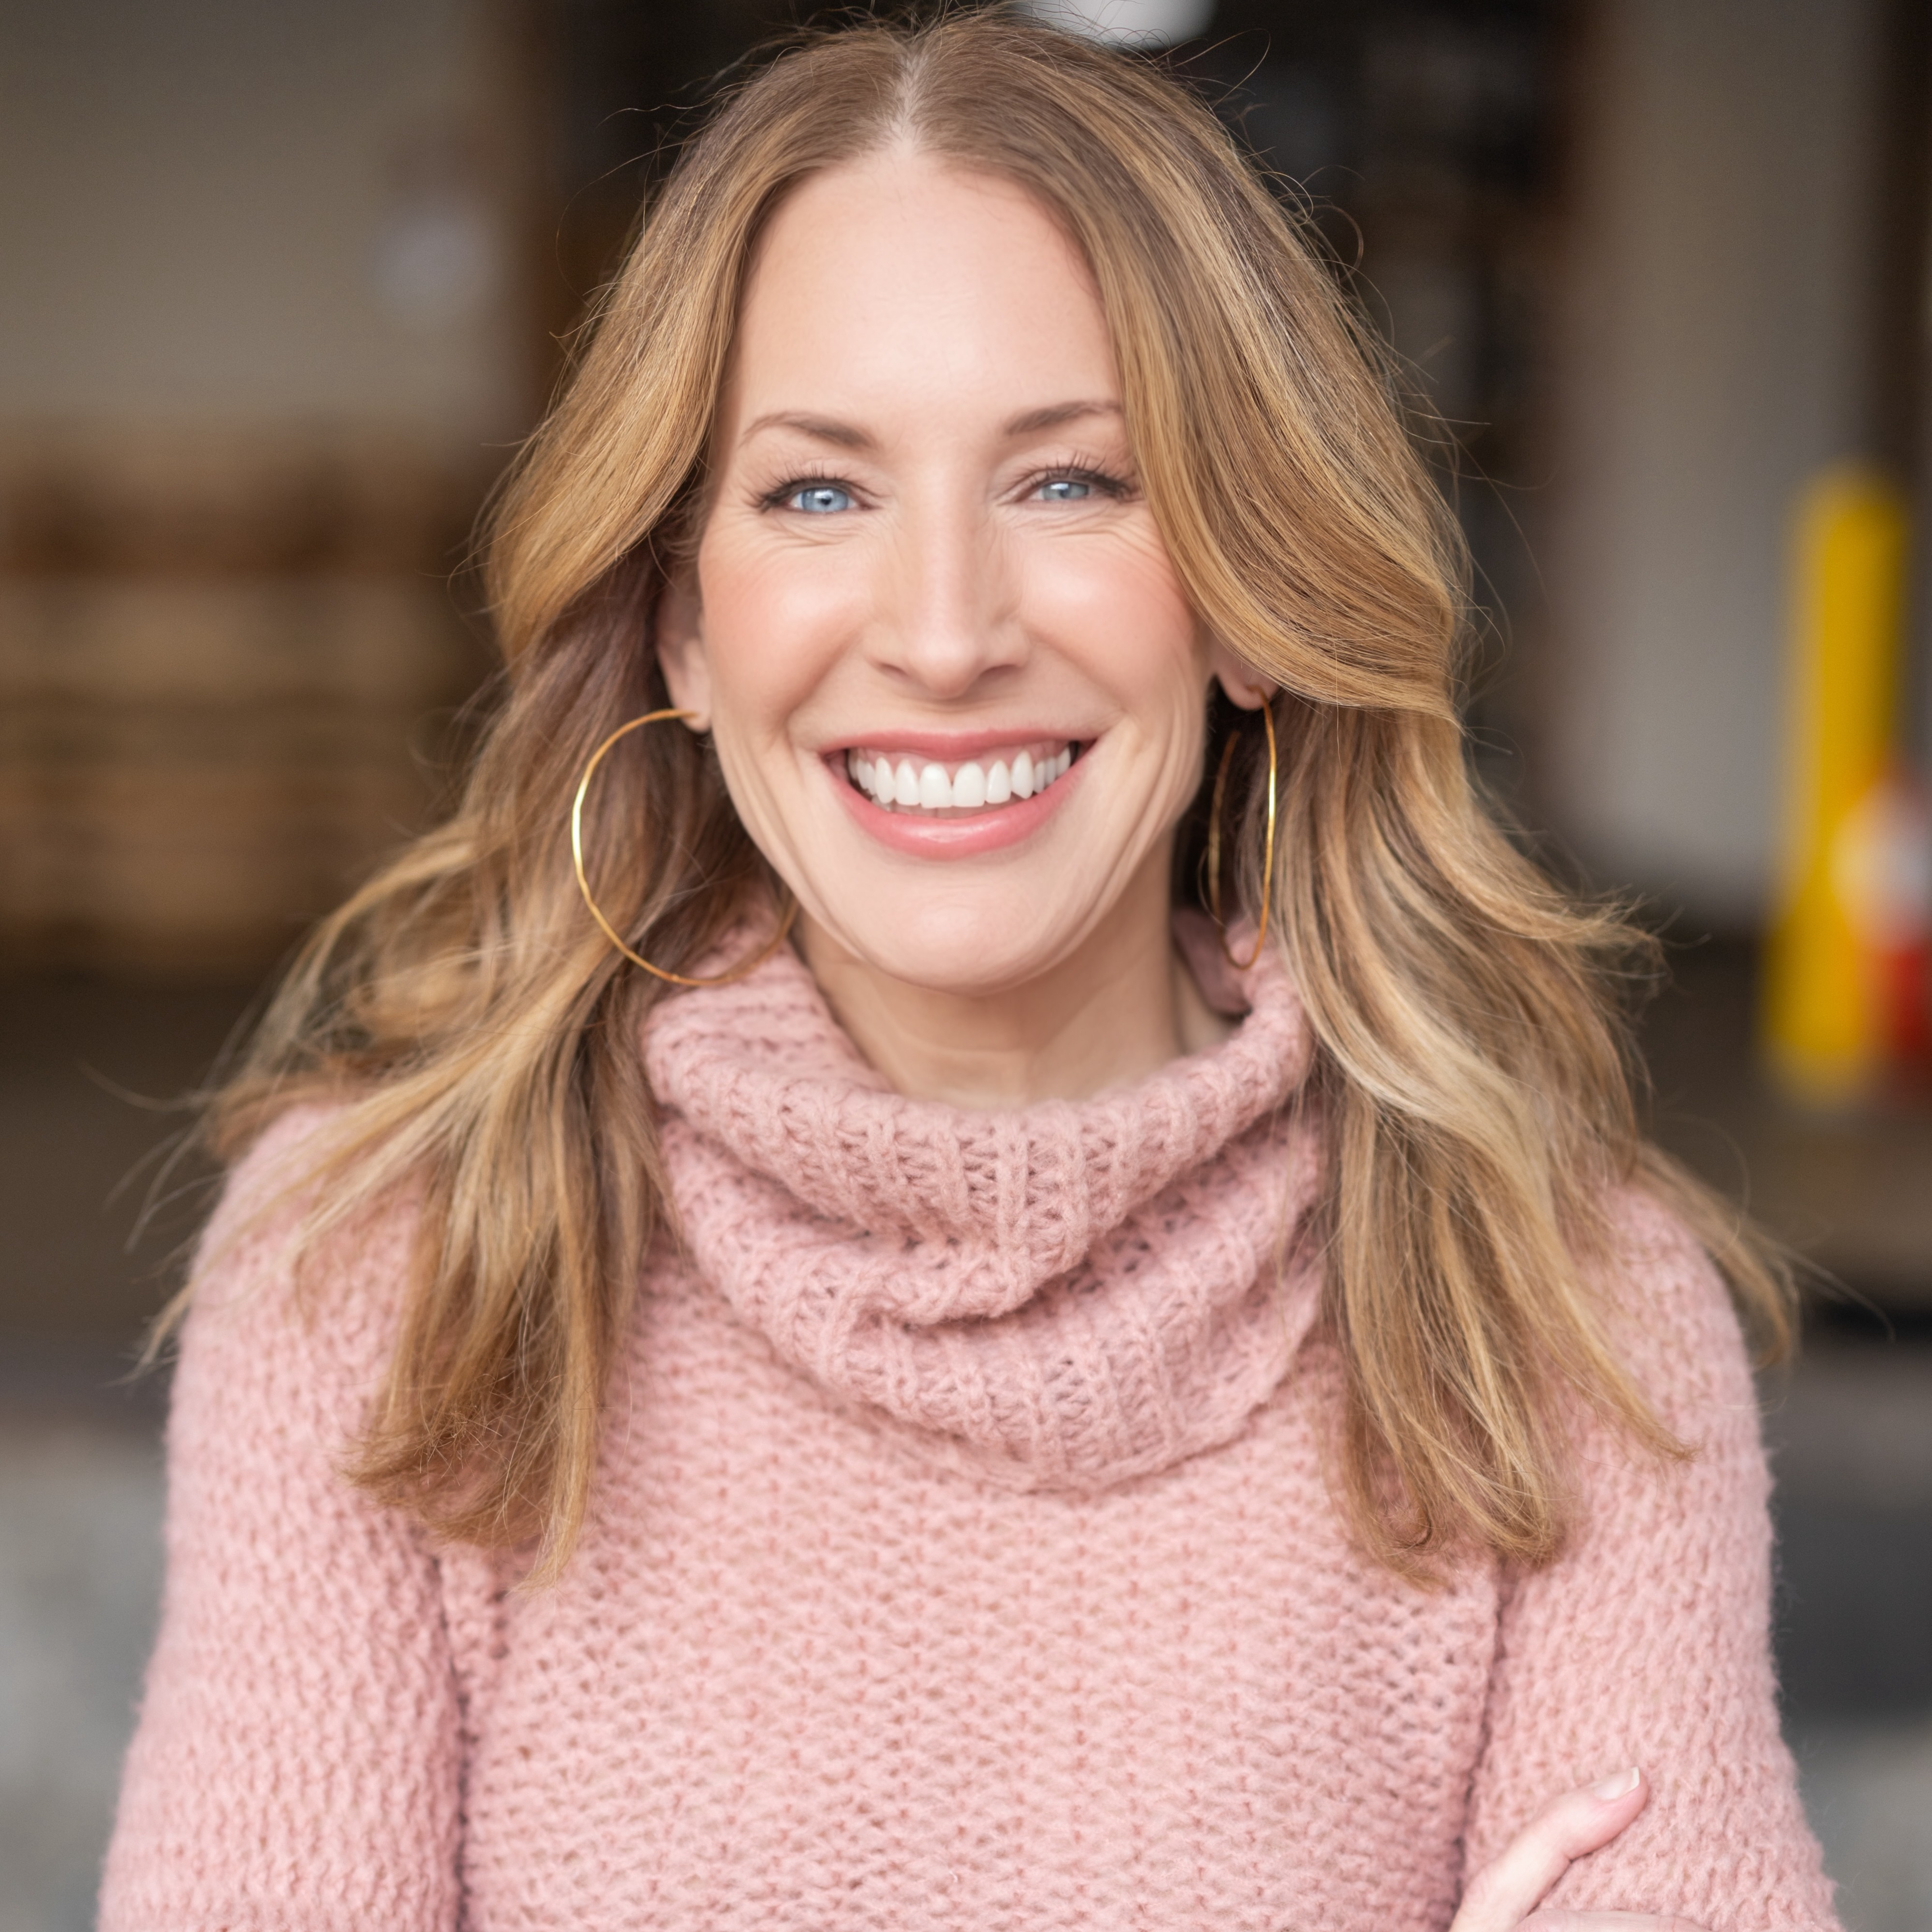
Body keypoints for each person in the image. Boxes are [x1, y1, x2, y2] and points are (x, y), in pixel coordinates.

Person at [101, 14, 1837, 1930]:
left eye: (1072, 483)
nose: (940, 632)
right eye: (819, 494)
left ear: (1248, 599)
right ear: (683, 616)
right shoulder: (379, 1265)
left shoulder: (1561, 1312)